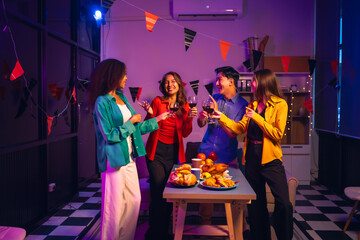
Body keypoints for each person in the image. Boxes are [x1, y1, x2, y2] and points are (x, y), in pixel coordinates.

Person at [88, 59, 170, 240]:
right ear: (113, 76)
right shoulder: (102, 102)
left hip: (130, 157)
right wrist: (130, 123)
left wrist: (158, 119)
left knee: (134, 202)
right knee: (114, 207)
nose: (126, 78)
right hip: (114, 158)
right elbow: (109, 135)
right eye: (123, 74)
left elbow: (135, 130)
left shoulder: (122, 97)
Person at [212, 69, 293, 240]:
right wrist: (221, 116)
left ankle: (284, 235)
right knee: (256, 204)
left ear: (264, 82)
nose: (251, 84)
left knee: (284, 204)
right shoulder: (253, 105)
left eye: (254, 81)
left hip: (271, 160)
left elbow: (278, 134)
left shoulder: (280, 104)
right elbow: (240, 128)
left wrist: (257, 117)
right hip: (252, 159)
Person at [139, 71, 197, 240]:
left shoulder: (185, 106)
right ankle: (155, 233)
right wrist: (151, 113)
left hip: (173, 154)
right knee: (158, 192)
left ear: (179, 84)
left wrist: (190, 119)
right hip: (155, 153)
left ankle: (165, 232)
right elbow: (148, 126)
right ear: (163, 86)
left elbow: (185, 134)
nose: (169, 84)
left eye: (173, 81)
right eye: (166, 82)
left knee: (170, 194)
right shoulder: (158, 101)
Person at [197, 66, 248, 225]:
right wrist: (202, 117)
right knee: (205, 194)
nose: (217, 82)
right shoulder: (214, 98)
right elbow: (201, 124)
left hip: (227, 156)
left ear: (231, 81)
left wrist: (219, 115)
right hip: (206, 154)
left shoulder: (243, 105)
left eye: (220, 79)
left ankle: (239, 229)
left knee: (233, 196)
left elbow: (233, 133)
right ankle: (205, 228)